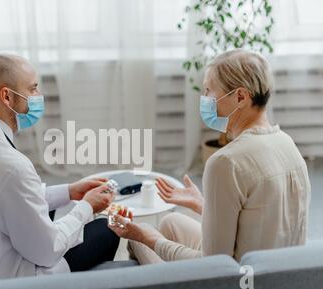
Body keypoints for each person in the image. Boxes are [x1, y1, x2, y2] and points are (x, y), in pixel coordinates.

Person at [0, 54, 119, 284]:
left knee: (47, 217)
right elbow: (48, 250)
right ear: (7, 96)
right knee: (109, 228)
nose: (39, 96)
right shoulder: (8, 164)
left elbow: (6, 196)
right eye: (33, 88)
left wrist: (69, 192)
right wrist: (86, 206)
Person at [109, 49, 311, 264]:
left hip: (240, 285)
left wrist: (146, 238)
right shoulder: (286, 143)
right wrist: (201, 203)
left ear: (240, 97)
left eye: (208, 91)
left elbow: (214, 265)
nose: (204, 99)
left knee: (141, 238)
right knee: (171, 222)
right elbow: (261, 222)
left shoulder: (226, 162)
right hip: (277, 275)